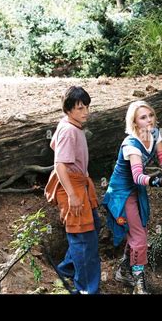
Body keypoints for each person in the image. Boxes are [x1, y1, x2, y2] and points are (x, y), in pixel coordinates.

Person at [102, 100, 162, 294]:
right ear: (134, 122)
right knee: (140, 238)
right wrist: (159, 182)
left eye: (150, 115)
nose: (149, 120)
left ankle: (124, 270)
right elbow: (137, 176)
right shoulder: (130, 144)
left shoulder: (155, 133)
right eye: (143, 117)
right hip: (122, 192)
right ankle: (139, 284)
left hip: (137, 189)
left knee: (138, 231)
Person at [44, 86, 101, 294]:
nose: (85, 112)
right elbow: (59, 165)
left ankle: (67, 268)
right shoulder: (69, 130)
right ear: (68, 109)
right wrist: (72, 195)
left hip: (79, 182)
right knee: (84, 240)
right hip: (72, 185)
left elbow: (53, 144)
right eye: (79, 108)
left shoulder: (68, 124)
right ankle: (87, 289)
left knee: (92, 226)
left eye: (87, 106)